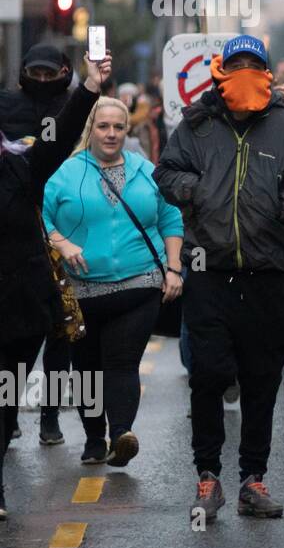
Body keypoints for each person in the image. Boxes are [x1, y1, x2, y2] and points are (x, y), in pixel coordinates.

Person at [155, 35, 284, 522]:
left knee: (261, 382)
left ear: (268, 71)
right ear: (220, 69)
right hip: (208, 273)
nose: (247, 70)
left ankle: (253, 480)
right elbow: (165, 173)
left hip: (269, 274)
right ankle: (207, 478)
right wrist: (197, 190)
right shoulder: (196, 124)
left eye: (255, 63)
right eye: (238, 63)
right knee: (208, 377)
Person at [42, 96, 184, 468]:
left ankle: (122, 434)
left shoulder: (146, 171)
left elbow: (170, 220)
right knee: (87, 367)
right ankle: (93, 439)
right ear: (91, 129)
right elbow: (39, 216)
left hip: (139, 285)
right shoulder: (67, 172)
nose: (111, 134)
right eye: (103, 126)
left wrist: (173, 269)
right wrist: (62, 242)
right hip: (82, 290)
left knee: (122, 362)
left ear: (127, 130)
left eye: (118, 127)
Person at [0, 52, 111, 518]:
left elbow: (58, 139)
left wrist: (89, 86)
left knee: (5, 402)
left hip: (18, 309)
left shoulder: (21, 168)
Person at [0, 44, 76, 444]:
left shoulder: (80, 109)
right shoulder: (8, 109)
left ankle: (50, 415)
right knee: (18, 334)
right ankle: (8, 413)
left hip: (70, 231)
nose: (43, 81)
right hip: (21, 232)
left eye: (51, 74)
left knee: (61, 331)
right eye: (37, 74)